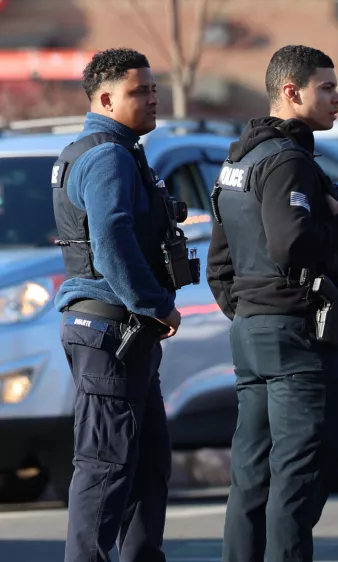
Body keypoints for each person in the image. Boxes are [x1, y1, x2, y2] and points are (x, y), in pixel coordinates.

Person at [206, 44, 338, 562]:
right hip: (294, 341)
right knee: (298, 483)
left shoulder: (240, 157)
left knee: (251, 481)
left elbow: (220, 263)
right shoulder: (287, 162)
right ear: (291, 92)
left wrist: (253, 312)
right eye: (326, 87)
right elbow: (293, 244)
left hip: (254, 334)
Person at [51, 47, 194, 562]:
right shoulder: (108, 155)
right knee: (107, 467)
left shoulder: (114, 149)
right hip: (112, 328)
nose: (152, 99)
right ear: (107, 99)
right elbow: (111, 235)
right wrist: (155, 302)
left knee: (147, 465)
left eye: (154, 89)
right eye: (140, 92)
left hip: (120, 333)